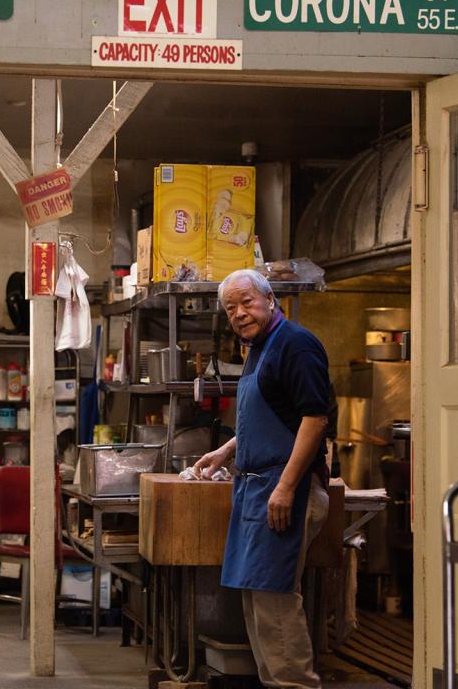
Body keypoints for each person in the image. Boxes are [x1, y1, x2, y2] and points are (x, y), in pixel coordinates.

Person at [193, 268, 332, 689]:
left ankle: (296, 685)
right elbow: (270, 416)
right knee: (257, 601)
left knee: (275, 601)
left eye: (246, 302)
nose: (238, 313)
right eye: (230, 308)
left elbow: (314, 418)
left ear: (271, 300)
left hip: (285, 488)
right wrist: (227, 449)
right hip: (255, 488)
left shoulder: (296, 344)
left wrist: (287, 487)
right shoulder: (259, 347)